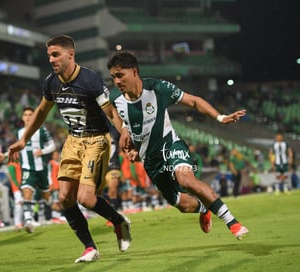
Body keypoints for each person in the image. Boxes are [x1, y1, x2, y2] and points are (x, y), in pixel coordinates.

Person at [7, 34, 132, 263]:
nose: (52, 60)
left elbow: (110, 111)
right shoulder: (51, 82)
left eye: (56, 55)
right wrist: (24, 138)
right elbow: (42, 111)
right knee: (64, 197)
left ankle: (119, 221)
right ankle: (90, 248)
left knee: (85, 198)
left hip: (97, 140)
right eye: (49, 56)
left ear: (70, 54)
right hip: (73, 141)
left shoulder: (89, 79)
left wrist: (123, 131)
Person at [107, 51, 249, 240]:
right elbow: (120, 120)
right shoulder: (116, 99)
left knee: (186, 180)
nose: (116, 81)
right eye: (113, 77)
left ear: (134, 72)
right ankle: (203, 207)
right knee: (182, 206)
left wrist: (220, 117)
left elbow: (193, 101)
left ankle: (233, 223)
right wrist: (130, 142)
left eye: (120, 75)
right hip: (151, 162)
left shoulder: (158, 89)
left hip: (171, 146)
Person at [18, 107, 56, 233]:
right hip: (28, 168)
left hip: (41, 168)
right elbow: (18, 148)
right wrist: (5, 155)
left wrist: (43, 151)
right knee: (27, 191)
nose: (28, 117)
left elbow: (53, 146)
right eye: (25, 114)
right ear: (22, 117)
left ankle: (54, 212)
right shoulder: (20, 132)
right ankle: (28, 221)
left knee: (46, 196)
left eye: (30, 114)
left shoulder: (41, 130)